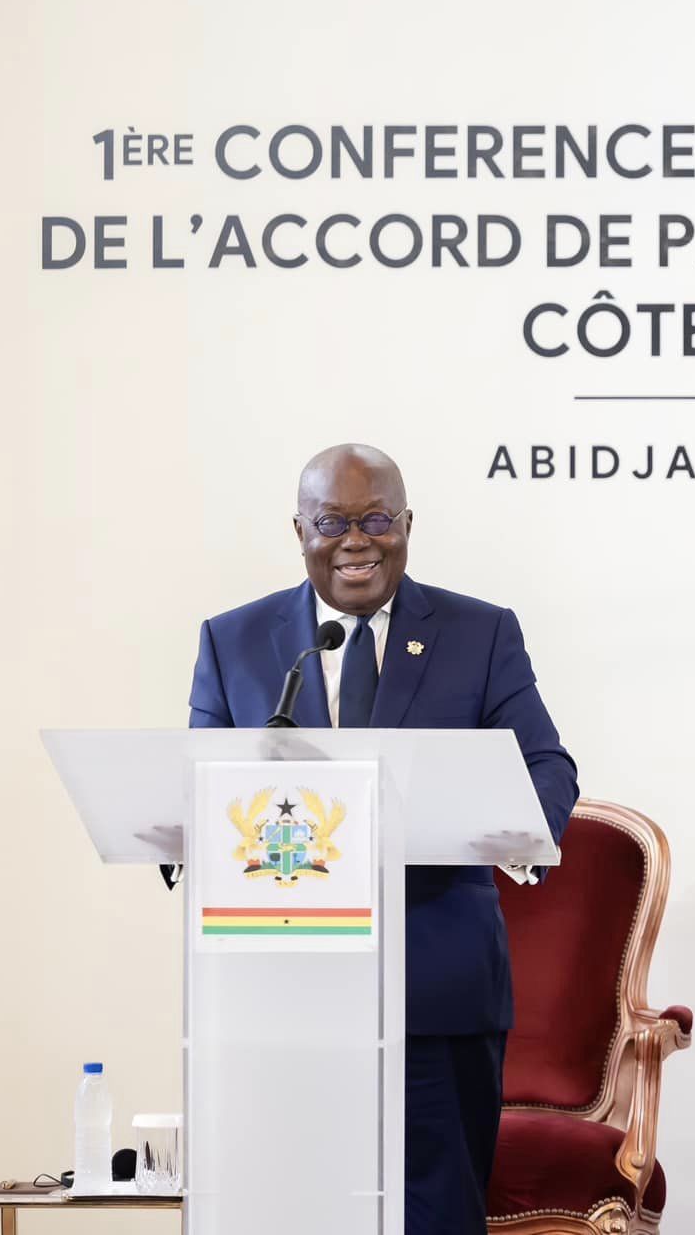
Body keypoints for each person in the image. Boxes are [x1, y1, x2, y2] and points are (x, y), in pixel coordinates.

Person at [189, 443, 579, 1234]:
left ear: (408, 526)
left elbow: (548, 767)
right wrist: (182, 837)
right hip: (279, 991)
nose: (355, 540)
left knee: (435, 1213)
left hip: (435, 986)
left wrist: (511, 834)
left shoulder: (481, 633)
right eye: (333, 520)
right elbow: (201, 784)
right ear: (300, 527)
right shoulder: (235, 640)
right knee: (287, 1212)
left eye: (377, 520)